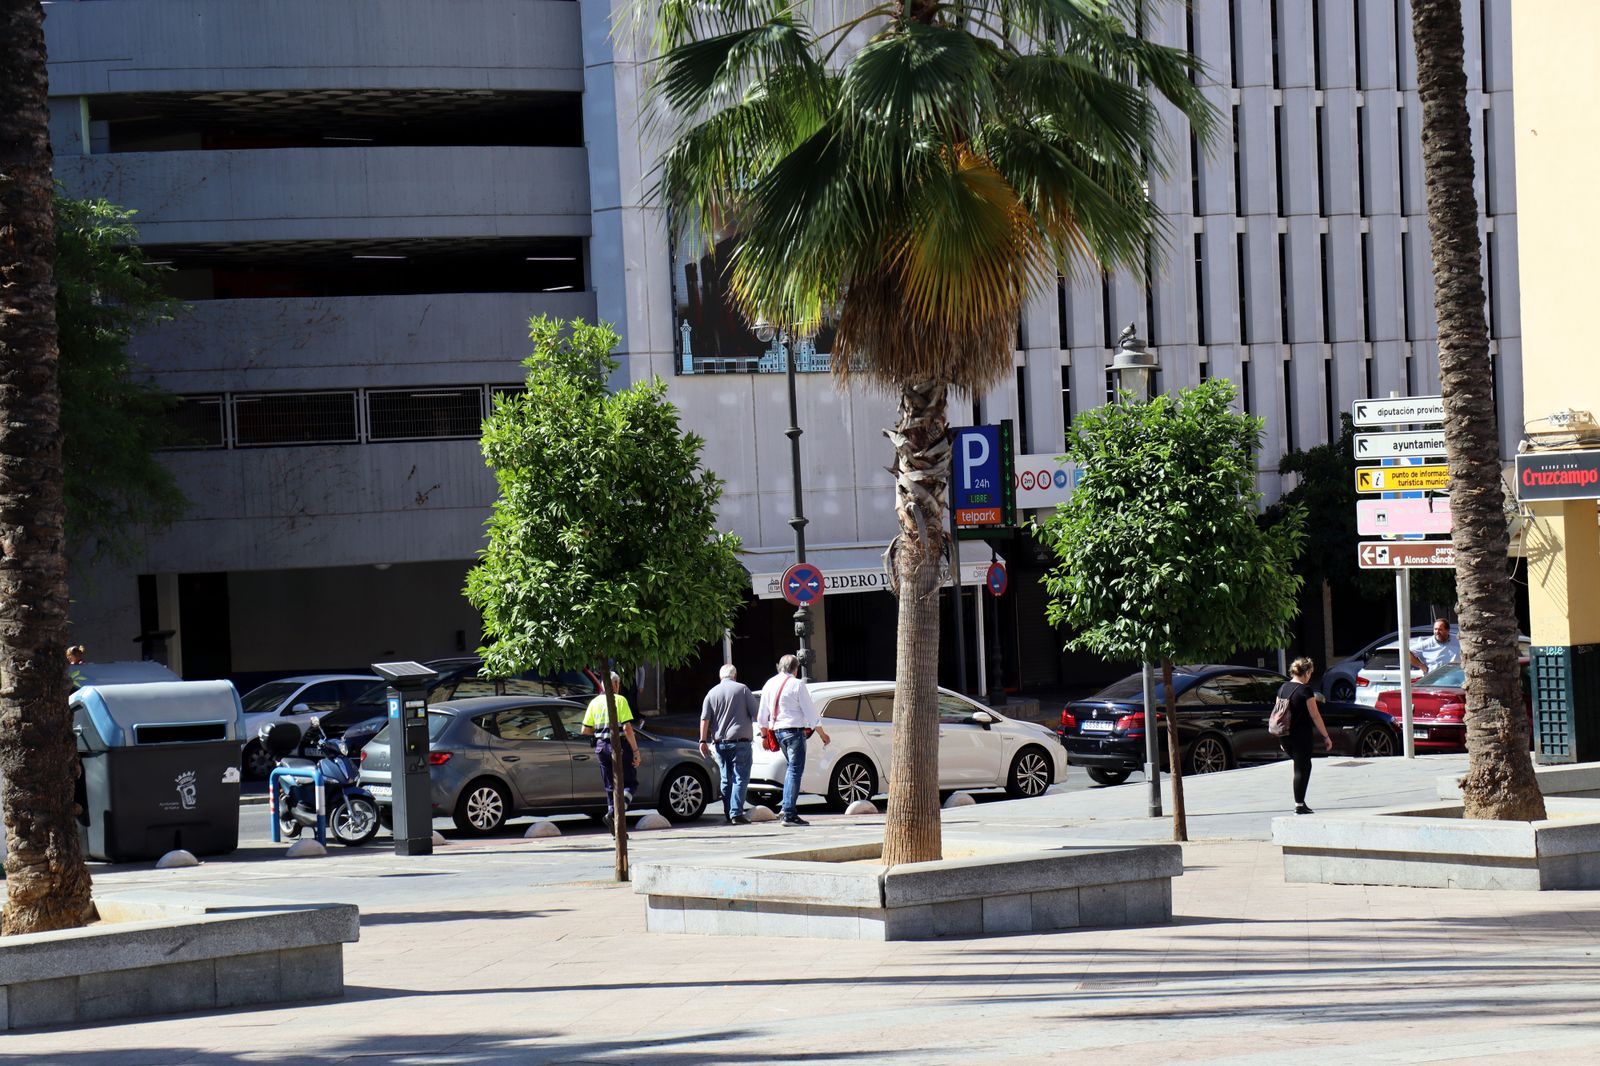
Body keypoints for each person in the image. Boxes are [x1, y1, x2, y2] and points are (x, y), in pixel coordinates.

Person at [756, 654, 830, 827]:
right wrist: (822, 734)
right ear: (795, 669)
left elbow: (762, 714)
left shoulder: (769, 683)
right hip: (794, 731)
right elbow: (810, 713)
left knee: (791, 769)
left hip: (778, 732)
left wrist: (765, 735)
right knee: (795, 770)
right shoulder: (797, 684)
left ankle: (786, 808)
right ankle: (789, 812)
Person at [580, 672, 640, 833]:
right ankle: (613, 814)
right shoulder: (620, 700)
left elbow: (585, 729)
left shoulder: (594, 703)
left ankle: (616, 829)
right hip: (618, 745)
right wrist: (635, 750)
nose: (618, 687)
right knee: (630, 783)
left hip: (600, 747)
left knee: (609, 786)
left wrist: (600, 731)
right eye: (618, 684)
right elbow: (627, 728)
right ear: (614, 684)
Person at [698, 664, 758, 824]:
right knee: (740, 777)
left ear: (720, 677)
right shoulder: (743, 689)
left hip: (720, 743)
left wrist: (702, 740)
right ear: (735, 676)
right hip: (741, 742)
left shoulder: (711, 693)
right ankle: (736, 813)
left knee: (726, 778)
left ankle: (728, 811)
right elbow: (756, 713)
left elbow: (705, 719)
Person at [1279, 657, 1333, 815]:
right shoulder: (1305, 690)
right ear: (1307, 673)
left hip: (1285, 735)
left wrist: (1281, 737)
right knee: (1302, 768)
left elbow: (1279, 714)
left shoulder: (1283, 688)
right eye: (1310, 673)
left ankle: (1300, 803)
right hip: (1301, 736)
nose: (1310, 676)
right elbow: (1315, 716)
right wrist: (1326, 736)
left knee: (1301, 766)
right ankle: (1299, 805)